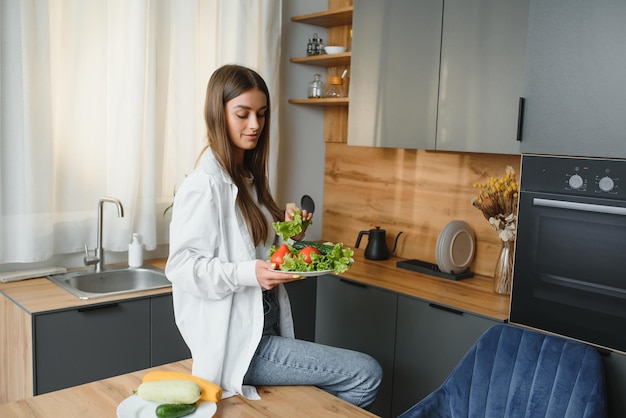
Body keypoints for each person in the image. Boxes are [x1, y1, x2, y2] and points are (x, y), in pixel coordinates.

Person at [165, 64, 382, 408]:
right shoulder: (203, 186)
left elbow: (263, 258)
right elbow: (182, 267)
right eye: (243, 114)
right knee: (365, 373)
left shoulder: (247, 180)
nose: (255, 125)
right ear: (218, 114)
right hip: (242, 346)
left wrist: (292, 237)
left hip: (264, 332)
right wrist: (248, 273)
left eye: (262, 115)